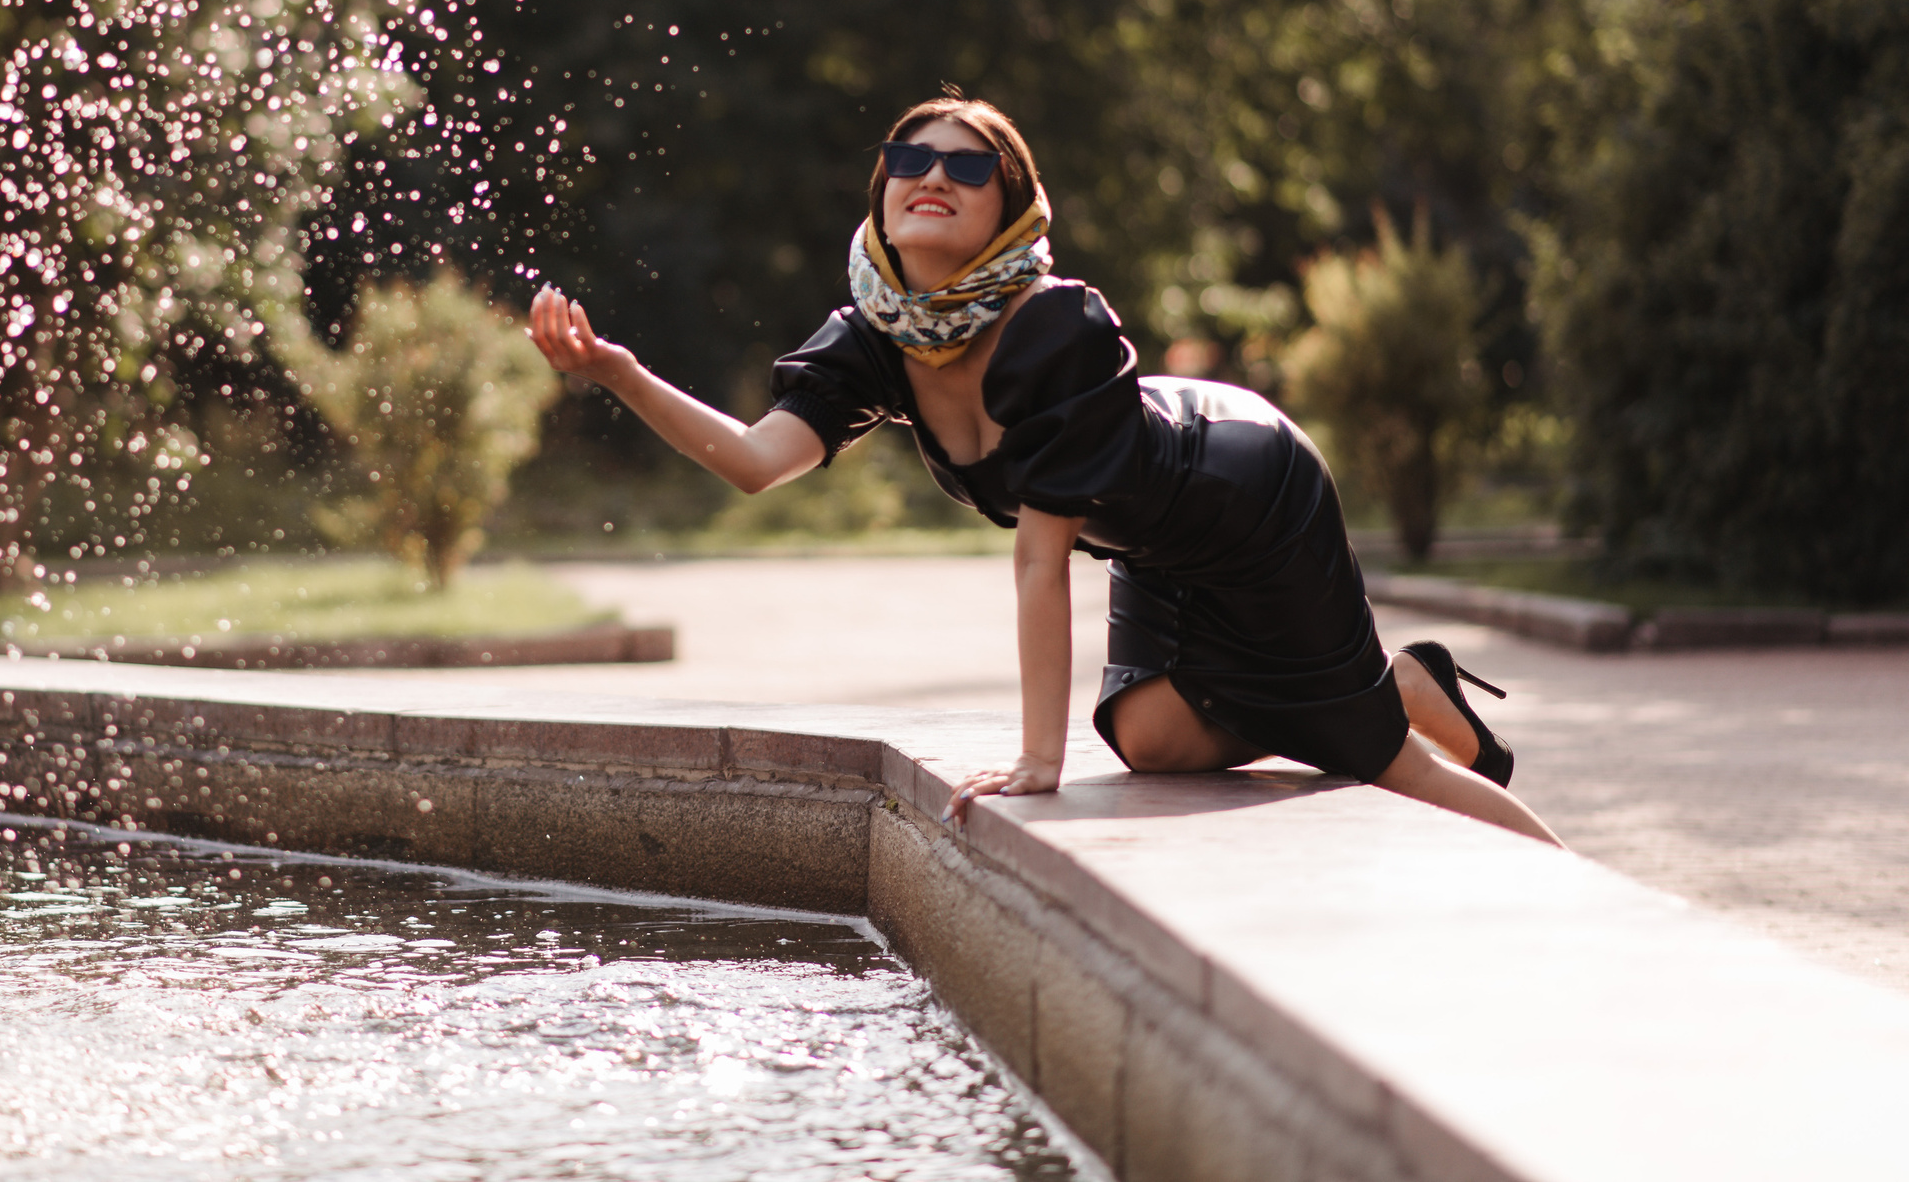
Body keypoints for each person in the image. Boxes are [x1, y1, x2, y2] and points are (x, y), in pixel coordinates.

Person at [525, 94, 1561, 846]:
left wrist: (1039, 761)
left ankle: (1548, 865)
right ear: (882, 188)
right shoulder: (874, 335)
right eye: (910, 156)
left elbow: (1038, 561)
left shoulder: (1053, 328)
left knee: (1374, 757)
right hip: (1151, 540)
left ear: (1010, 210)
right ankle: (1391, 681)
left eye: (968, 167)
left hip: (1248, 499)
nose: (933, 175)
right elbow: (758, 461)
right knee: (1151, 737)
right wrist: (618, 371)